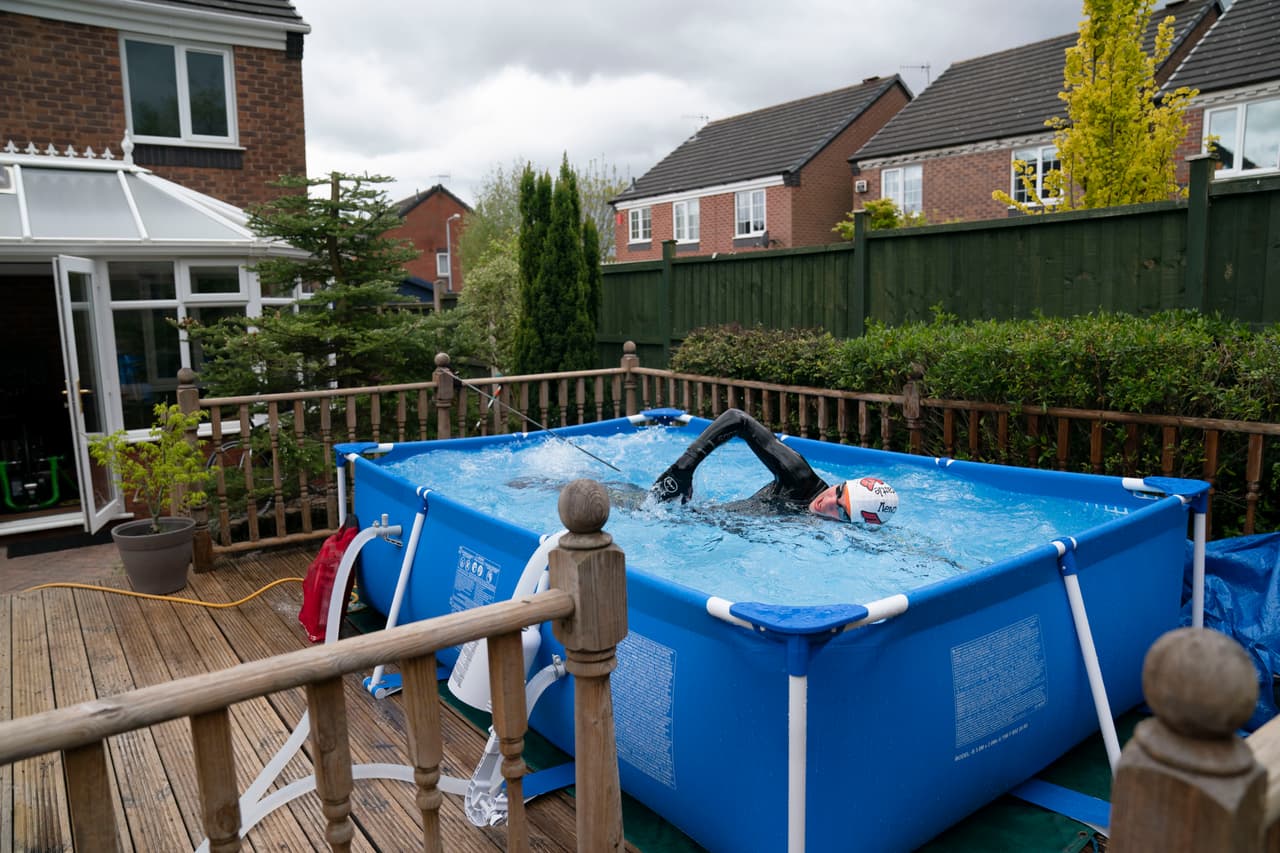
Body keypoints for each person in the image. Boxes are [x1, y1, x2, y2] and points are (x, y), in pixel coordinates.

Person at [650, 408, 897, 524]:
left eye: (841, 511)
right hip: (683, 516)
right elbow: (738, 419)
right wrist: (684, 468)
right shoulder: (798, 477)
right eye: (839, 492)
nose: (829, 501)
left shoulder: (841, 533)